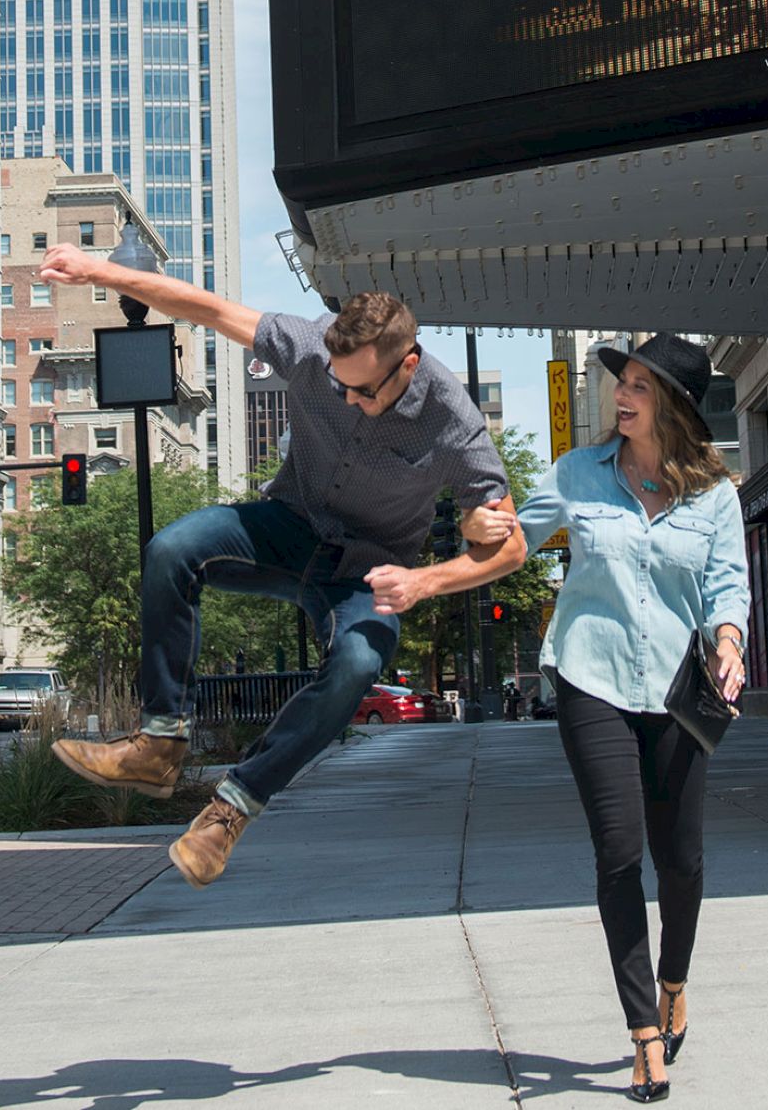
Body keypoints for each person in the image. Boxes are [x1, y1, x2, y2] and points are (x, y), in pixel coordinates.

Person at [38, 242, 529, 888]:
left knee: (357, 663)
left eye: (363, 390)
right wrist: (98, 271)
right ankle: (159, 744)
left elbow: (510, 545)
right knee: (171, 549)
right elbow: (206, 307)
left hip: (370, 572)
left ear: (407, 364)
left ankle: (228, 812)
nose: (347, 397)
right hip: (288, 528)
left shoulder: (453, 421)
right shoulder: (307, 348)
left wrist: (428, 577)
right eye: (338, 381)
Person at [465, 335, 748, 1103]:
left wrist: (730, 642)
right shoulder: (578, 475)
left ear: (675, 407)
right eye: (620, 382)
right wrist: (480, 530)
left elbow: (728, 587)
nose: (620, 396)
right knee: (620, 853)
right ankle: (643, 1035)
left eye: (639, 387)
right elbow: (515, 536)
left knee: (681, 859)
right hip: (590, 677)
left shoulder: (716, 495)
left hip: (678, 690)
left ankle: (675, 981)